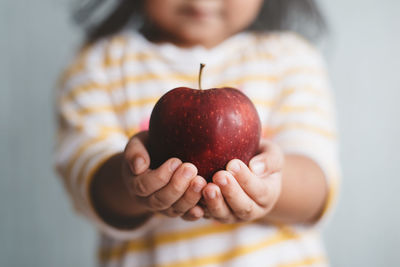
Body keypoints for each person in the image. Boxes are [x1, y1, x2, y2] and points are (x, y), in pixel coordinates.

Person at [55, 0, 340, 266]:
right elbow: (85, 175)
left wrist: (269, 186)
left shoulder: (290, 60)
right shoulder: (97, 67)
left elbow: (317, 185)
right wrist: (133, 182)